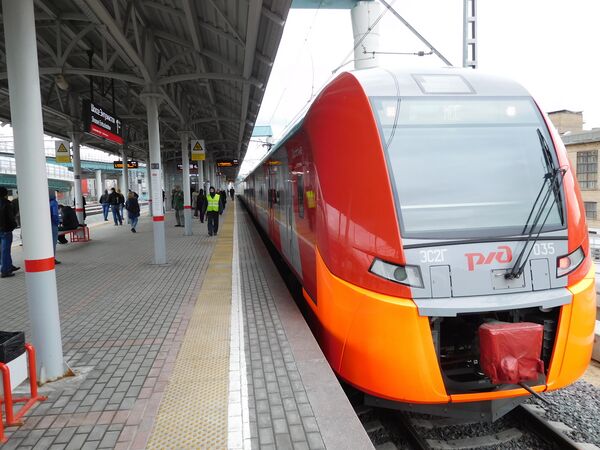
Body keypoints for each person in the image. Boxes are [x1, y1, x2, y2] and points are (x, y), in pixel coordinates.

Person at [0, 187, 19, 277]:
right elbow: (10, 217)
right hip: (6, 230)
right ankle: (5, 270)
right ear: (6, 194)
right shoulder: (7, 204)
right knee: (5, 250)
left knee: (3, 250)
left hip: (1, 230)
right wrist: (14, 225)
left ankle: (9, 266)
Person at [49, 192, 61, 264]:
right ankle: (52, 259)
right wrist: (57, 223)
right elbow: (55, 215)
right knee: (53, 242)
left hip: (46, 225)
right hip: (53, 224)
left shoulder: (45, 202)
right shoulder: (53, 203)